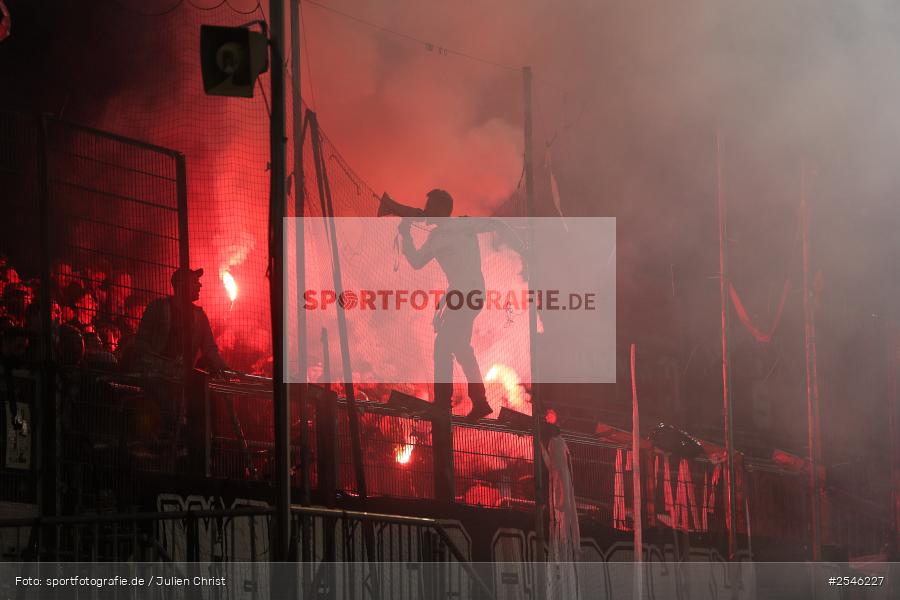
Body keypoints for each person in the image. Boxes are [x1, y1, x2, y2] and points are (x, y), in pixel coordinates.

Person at [396, 188, 492, 421]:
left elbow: (491, 225)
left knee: (444, 347)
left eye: (429, 206)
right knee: (459, 347)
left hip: (468, 293)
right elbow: (417, 262)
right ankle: (479, 401)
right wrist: (406, 235)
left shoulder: (461, 226)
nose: (425, 210)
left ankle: (444, 403)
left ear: (440, 209)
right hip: (463, 295)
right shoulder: (436, 237)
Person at [134, 267, 228, 378]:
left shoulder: (200, 317)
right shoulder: (157, 308)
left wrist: (226, 370)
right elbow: (142, 342)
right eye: (194, 282)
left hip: (181, 379)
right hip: (155, 377)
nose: (200, 285)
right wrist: (153, 366)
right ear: (181, 284)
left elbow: (210, 350)